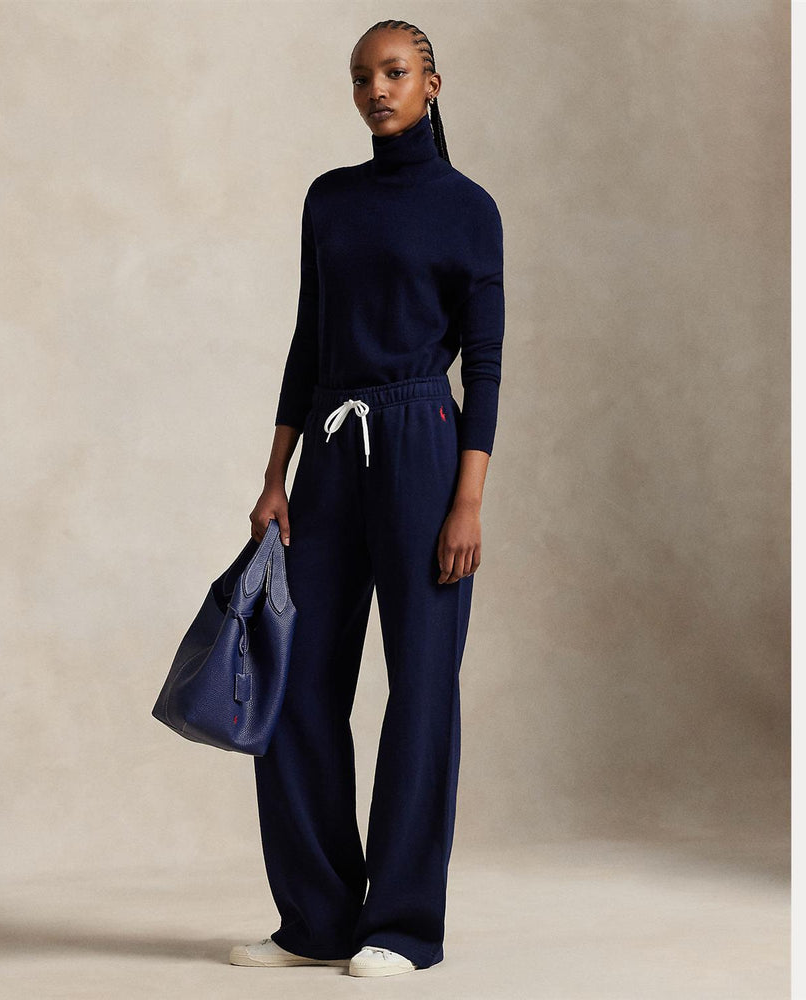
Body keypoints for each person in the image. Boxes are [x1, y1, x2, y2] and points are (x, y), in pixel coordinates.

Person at [230, 17, 504, 978]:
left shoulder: (469, 208)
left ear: (432, 83)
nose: (375, 90)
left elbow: (486, 364)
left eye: (393, 72)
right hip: (332, 451)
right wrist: (276, 476)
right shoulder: (331, 199)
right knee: (295, 678)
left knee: (421, 690)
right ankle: (316, 919)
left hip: (426, 444)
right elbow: (309, 339)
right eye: (361, 77)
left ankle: (403, 926)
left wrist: (467, 501)